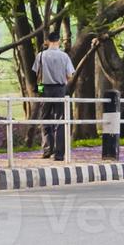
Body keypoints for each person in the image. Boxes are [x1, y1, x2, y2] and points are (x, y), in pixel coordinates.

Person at [32, 31, 75, 160]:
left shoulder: (40, 56)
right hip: (60, 89)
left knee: (45, 118)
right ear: (58, 41)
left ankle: (47, 149)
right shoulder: (64, 56)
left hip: (45, 89)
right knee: (61, 120)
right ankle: (59, 153)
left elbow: (37, 75)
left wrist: (40, 91)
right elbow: (70, 75)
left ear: (47, 41)